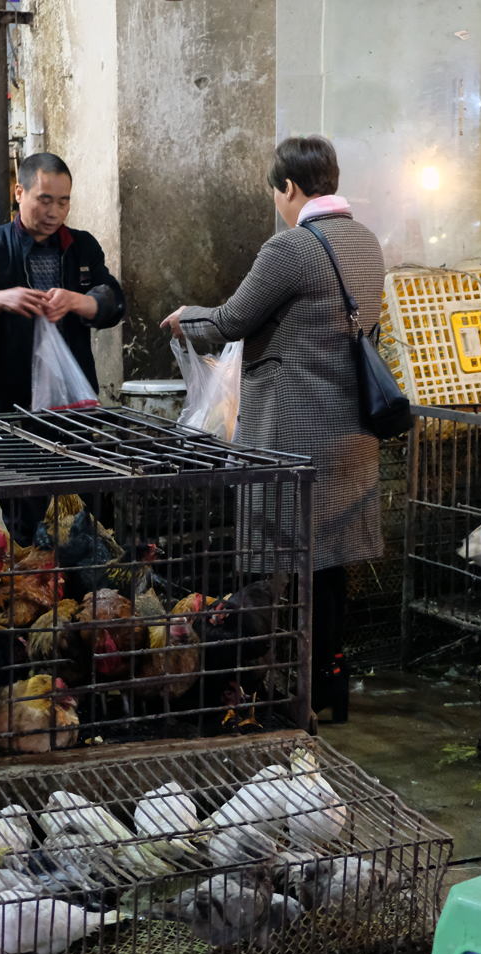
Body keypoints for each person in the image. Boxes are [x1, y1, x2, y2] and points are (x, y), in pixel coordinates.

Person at [161, 136, 384, 724]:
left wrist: (185, 319)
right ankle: (329, 682)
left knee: (273, 565)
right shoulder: (367, 242)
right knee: (329, 563)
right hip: (352, 433)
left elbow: (231, 320)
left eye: (276, 192)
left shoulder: (290, 247)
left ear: (288, 187)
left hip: (292, 433)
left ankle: (275, 689)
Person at [0, 152, 125, 412]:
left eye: (63, 202)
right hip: (10, 405)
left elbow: (114, 303)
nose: (54, 212)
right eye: (44, 200)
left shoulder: (82, 246)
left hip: (73, 401)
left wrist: (76, 301)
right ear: (19, 192)